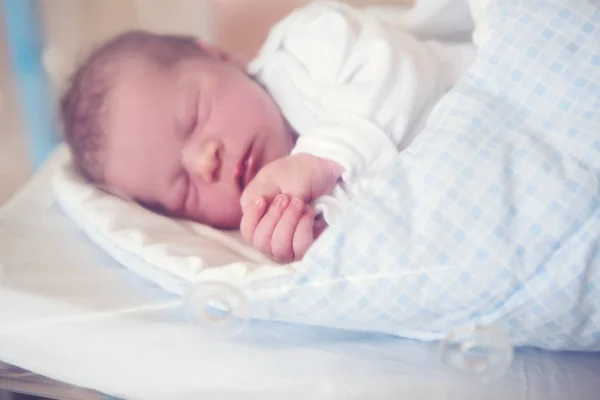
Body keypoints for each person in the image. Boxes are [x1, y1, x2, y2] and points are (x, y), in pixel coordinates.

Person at [60, 1, 475, 263]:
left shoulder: (305, 46)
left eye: (194, 115)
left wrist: (321, 158)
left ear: (219, 56)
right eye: (184, 188)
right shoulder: (279, 218)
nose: (205, 162)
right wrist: (320, 238)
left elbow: (401, 71)